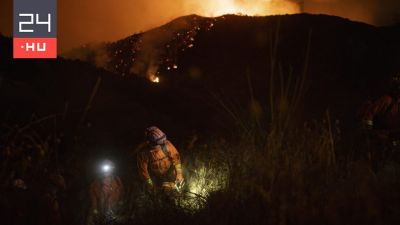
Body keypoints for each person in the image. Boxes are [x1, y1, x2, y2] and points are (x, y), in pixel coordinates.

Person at [360, 74, 400, 167]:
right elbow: (369, 115)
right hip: (380, 136)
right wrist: (369, 132)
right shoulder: (386, 101)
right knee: (379, 161)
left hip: (393, 136)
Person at [137, 126, 184, 193]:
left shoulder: (167, 145)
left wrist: (179, 173)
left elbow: (176, 159)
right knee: (163, 192)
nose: (161, 145)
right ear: (150, 143)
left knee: (178, 189)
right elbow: (144, 173)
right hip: (156, 177)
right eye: (158, 144)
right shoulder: (144, 153)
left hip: (169, 171)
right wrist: (151, 187)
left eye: (162, 143)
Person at [88, 160, 124, 225]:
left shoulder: (117, 180)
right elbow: (93, 196)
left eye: (109, 167)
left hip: (113, 210)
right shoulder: (97, 181)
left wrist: (120, 202)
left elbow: (121, 191)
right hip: (101, 210)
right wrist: (95, 210)